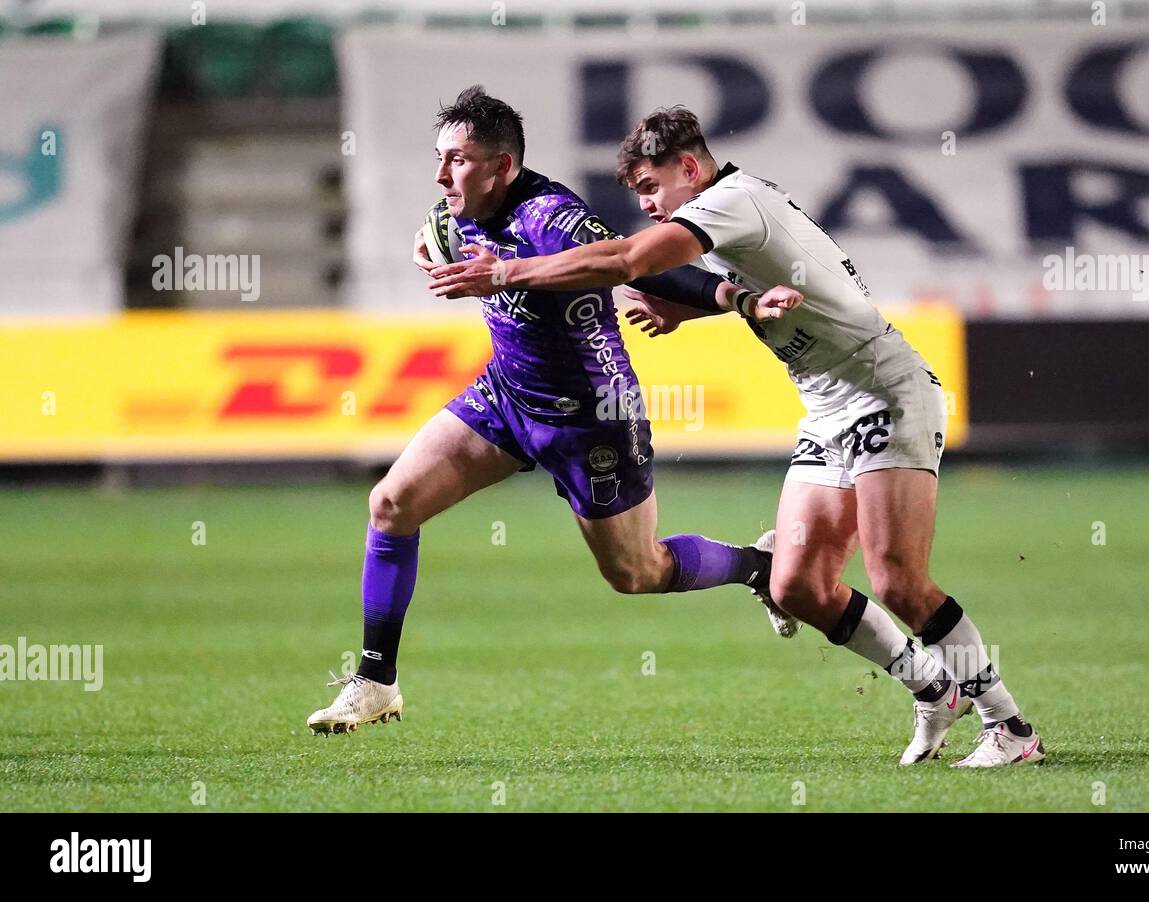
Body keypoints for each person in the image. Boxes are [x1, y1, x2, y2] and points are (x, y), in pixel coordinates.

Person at [428, 106, 1045, 767]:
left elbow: (628, 258)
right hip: (829, 407)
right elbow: (745, 282)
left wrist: (504, 273)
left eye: (651, 189)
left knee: (896, 578)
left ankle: (1009, 728)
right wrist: (701, 308)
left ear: (689, 168)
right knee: (795, 586)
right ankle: (932, 690)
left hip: (882, 393)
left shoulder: (731, 201)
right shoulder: (729, 209)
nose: (647, 205)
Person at [307, 88, 802, 736]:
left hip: (593, 417)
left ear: (502, 166)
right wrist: (428, 245)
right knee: (391, 504)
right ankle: (375, 681)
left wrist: (733, 296)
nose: (442, 174)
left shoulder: (551, 216)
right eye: (439, 159)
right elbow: (435, 233)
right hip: (507, 397)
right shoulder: (457, 213)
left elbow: (639, 264)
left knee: (636, 572)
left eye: (457, 160)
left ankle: (757, 566)